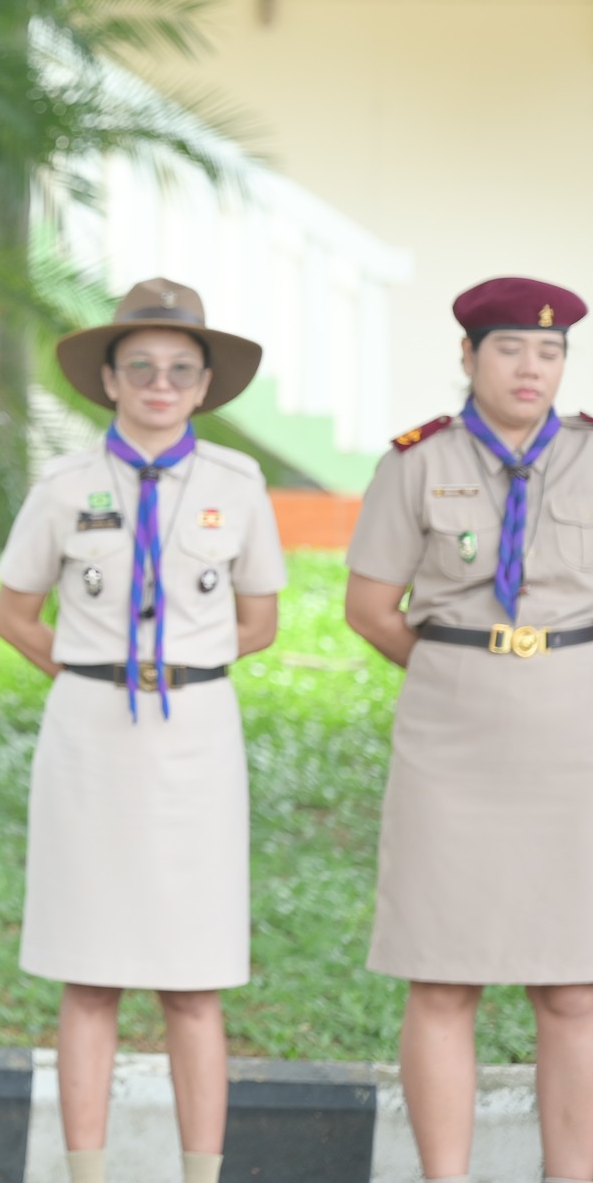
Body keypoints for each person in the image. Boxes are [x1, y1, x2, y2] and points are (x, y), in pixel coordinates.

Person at [0, 279, 285, 1183]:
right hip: (89, 740)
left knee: (194, 980)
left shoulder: (237, 485)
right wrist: (94, 673)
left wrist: (173, 670)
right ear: (111, 379)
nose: (162, 384)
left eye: (181, 370)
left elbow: (260, 620)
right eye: (143, 367)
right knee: (88, 972)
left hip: (197, 738)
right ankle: (88, 1173)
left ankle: (202, 1175)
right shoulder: (64, 485)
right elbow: (14, 614)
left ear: (205, 385)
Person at [343, 277, 593, 1183]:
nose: (532, 367)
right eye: (511, 348)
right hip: (450, 744)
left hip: (574, 740)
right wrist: (458, 670)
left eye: (550, 351)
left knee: (574, 986)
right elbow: (370, 607)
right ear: (468, 355)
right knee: (443, 976)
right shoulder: (416, 462)